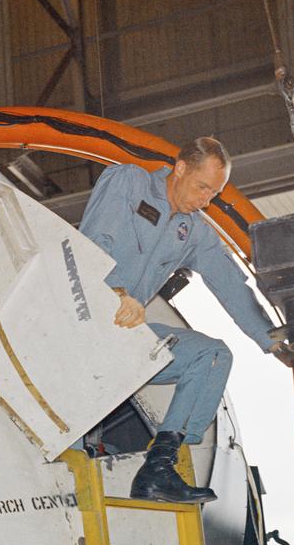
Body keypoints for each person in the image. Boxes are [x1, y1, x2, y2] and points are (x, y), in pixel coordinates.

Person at [79, 136, 278, 503]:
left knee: (212, 356)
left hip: (123, 334)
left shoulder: (195, 231)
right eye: (202, 187)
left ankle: (159, 467)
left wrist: (274, 340)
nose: (206, 200)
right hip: (77, 319)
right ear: (180, 168)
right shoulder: (130, 182)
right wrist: (116, 292)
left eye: (213, 194)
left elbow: (231, 286)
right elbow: (93, 242)